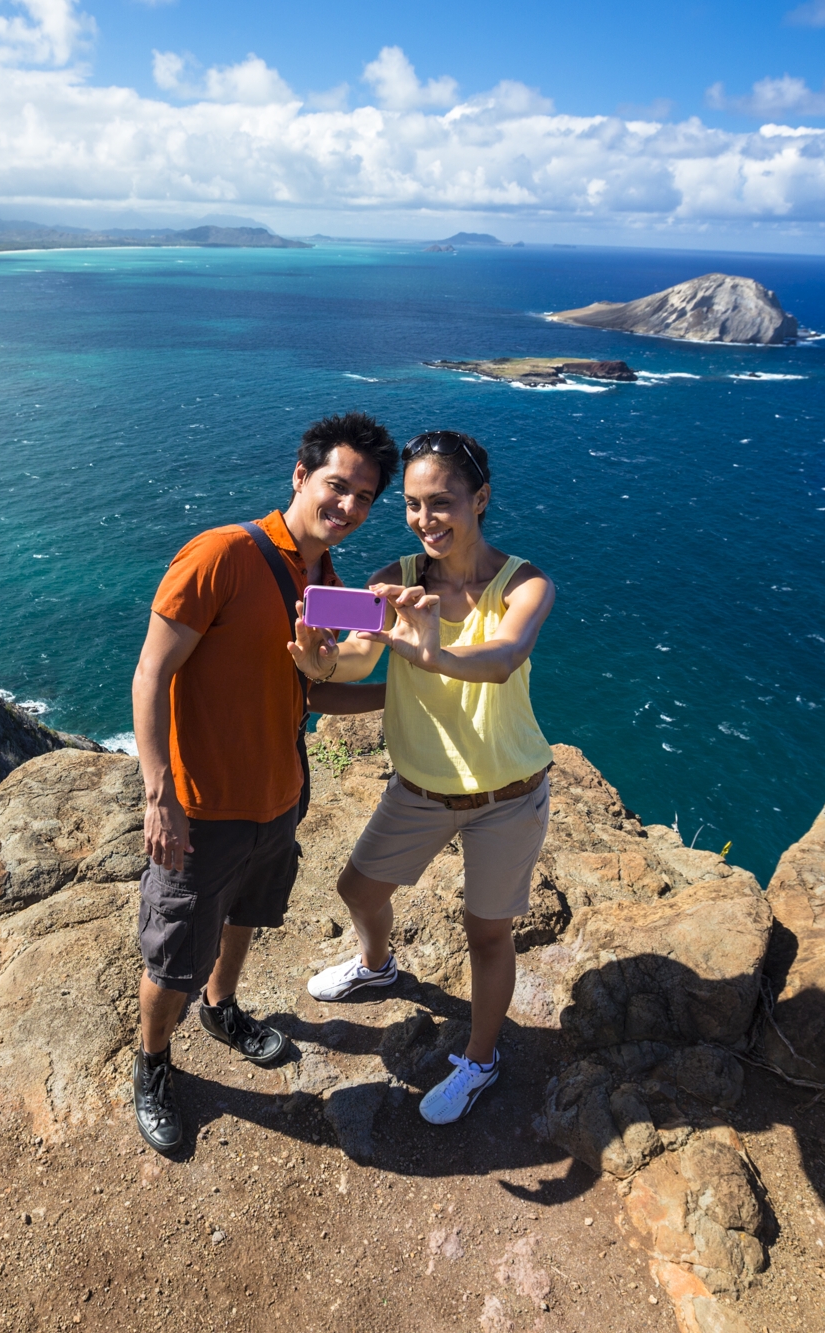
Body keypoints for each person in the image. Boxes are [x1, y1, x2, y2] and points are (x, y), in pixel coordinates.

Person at [130, 412, 399, 1154]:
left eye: (364, 497)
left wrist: (400, 693)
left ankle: (222, 1008)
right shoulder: (221, 553)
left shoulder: (327, 581)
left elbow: (314, 690)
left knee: (246, 915)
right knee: (176, 949)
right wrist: (161, 794)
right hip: (204, 807)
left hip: (279, 794)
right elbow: (152, 672)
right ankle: (153, 1061)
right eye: (336, 486)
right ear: (300, 475)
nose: (347, 506)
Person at [295, 430, 556, 1126]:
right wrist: (319, 661)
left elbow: (503, 657)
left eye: (440, 502)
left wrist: (435, 653)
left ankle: (480, 1058)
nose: (424, 518)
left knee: (486, 933)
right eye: (411, 504)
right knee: (357, 888)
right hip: (420, 787)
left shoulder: (525, 584)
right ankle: (377, 964)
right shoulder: (397, 577)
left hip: (508, 794)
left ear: (481, 499)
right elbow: (351, 660)